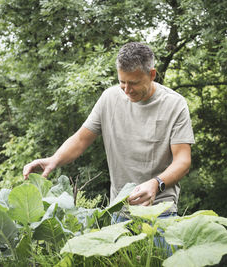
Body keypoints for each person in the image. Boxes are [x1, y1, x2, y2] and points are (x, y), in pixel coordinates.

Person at [23, 42, 195, 215]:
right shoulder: (109, 98)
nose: (127, 90)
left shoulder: (174, 104)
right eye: (122, 82)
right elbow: (81, 140)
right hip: (119, 210)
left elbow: (183, 161)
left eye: (134, 83)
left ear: (151, 74)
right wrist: (54, 160)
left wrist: (156, 184)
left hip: (161, 210)